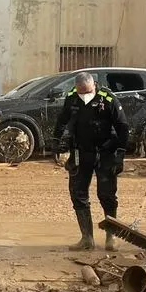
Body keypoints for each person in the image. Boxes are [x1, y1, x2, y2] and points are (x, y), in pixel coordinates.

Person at [52, 72, 129, 251]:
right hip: (80, 153)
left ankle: (111, 237)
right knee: (78, 194)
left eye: (87, 91)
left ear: (93, 85)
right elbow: (61, 120)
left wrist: (120, 153)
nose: (84, 95)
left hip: (105, 153)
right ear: (76, 88)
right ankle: (87, 238)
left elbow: (123, 127)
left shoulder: (108, 98)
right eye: (81, 92)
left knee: (107, 196)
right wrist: (56, 142)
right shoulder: (71, 98)